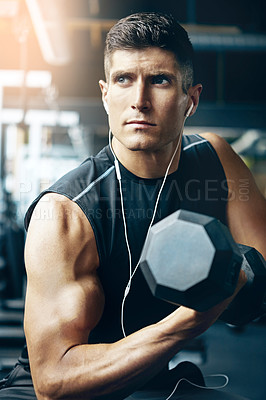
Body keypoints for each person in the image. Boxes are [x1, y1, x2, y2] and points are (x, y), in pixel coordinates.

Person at [0, 12, 265, 400]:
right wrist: (193, 318)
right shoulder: (63, 213)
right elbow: (53, 381)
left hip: (148, 379)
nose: (139, 100)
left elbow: (259, 272)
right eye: (124, 79)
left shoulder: (216, 159)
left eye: (159, 80)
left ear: (190, 100)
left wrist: (240, 274)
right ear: (106, 95)